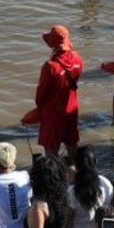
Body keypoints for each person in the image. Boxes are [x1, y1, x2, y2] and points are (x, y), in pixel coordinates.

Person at [32, 26, 84, 156]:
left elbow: (40, 97)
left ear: (52, 44)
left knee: (51, 150)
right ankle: (75, 171)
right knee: (72, 145)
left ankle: (54, 174)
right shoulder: (78, 59)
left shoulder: (50, 67)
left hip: (54, 113)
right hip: (72, 109)